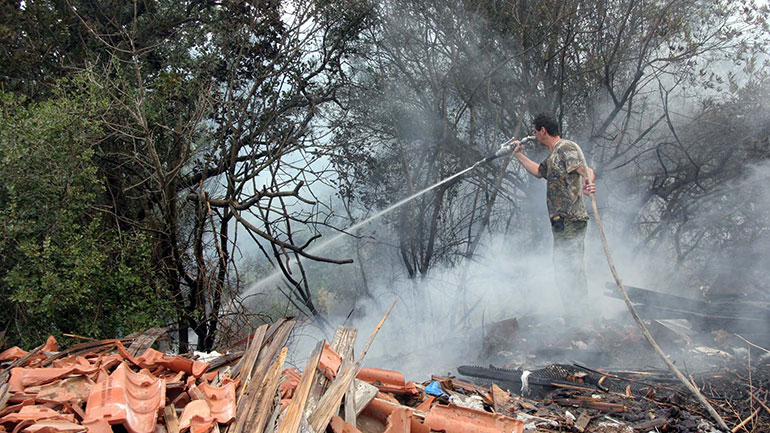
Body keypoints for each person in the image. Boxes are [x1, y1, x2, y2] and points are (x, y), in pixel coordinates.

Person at [508, 112, 596, 312]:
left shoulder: (565, 148)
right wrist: (518, 154)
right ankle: (575, 314)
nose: (534, 136)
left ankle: (580, 316)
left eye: (535, 131)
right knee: (564, 267)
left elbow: (586, 170)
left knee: (570, 268)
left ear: (543, 131)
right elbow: (539, 171)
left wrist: (589, 183)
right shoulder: (554, 155)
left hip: (571, 220)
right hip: (561, 223)